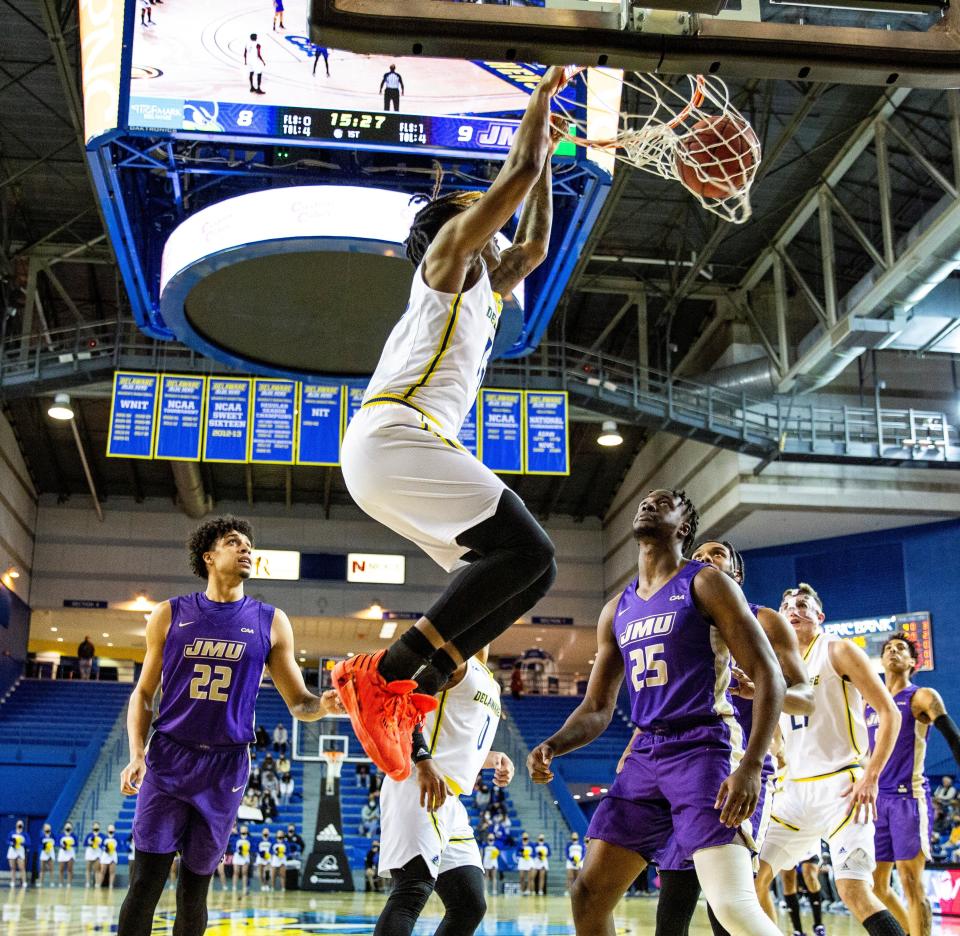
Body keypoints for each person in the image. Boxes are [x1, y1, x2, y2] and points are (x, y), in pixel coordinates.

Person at [334, 67, 575, 783]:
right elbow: (520, 174)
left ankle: (415, 690)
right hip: (395, 436)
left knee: (533, 572)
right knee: (529, 549)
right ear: (458, 229)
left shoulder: (487, 290)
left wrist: (552, 162)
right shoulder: (446, 263)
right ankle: (384, 675)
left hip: (401, 450)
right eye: (482, 213)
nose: (496, 227)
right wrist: (538, 109)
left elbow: (530, 247)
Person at [527, 489, 787, 936]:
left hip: (704, 747)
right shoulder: (617, 609)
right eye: (645, 500)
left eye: (664, 501)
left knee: (732, 906)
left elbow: (770, 676)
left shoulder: (705, 582)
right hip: (646, 752)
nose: (648, 503)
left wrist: (749, 766)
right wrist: (553, 744)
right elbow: (596, 707)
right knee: (588, 894)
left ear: (684, 526)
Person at [116, 516, 343, 936]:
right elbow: (144, 694)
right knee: (145, 883)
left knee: (193, 892)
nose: (246, 549)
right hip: (168, 758)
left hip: (226, 767)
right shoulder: (169, 614)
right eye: (234, 542)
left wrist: (326, 706)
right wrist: (136, 753)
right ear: (208, 556)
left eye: (249, 545)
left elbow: (300, 703)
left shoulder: (271, 621)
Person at [651, 538, 814, 936]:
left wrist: (758, 689)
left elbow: (805, 699)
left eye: (716, 556)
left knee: (728, 905)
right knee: (672, 900)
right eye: (699, 557)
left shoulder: (766, 620)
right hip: (685, 767)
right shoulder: (682, 624)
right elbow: (665, 702)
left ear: (736, 575)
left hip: (739, 765)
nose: (704, 561)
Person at [755, 583, 906, 936]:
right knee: (749, 878)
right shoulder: (776, 666)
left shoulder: (837, 650)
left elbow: (889, 713)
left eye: (803, 605)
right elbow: (782, 732)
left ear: (819, 617)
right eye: (787, 604)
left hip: (842, 785)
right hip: (792, 791)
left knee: (853, 891)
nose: (794, 609)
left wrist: (870, 776)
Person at [374, 647, 513, 936]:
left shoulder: (488, 678)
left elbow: (457, 740)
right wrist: (422, 758)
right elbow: (402, 707)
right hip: (418, 783)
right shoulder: (453, 661)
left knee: (470, 904)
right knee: (412, 890)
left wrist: (493, 758)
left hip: (451, 799)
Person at [869, 633, 960, 936]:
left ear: (911, 662)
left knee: (910, 881)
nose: (893, 652)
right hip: (875, 800)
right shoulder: (870, 703)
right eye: (888, 649)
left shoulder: (921, 696)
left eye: (901, 650)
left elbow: (952, 735)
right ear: (881, 661)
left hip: (908, 798)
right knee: (875, 886)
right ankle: (910, 931)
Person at [781, 857, 826, 936]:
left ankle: (819, 925)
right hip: (787, 846)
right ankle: (798, 931)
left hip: (807, 847)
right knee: (788, 880)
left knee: (810, 876)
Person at [6, 819, 28, 888]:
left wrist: (21, 843)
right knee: (12, 867)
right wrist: (12, 843)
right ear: (16, 825)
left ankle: (24, 882)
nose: (19, 825)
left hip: (20, 851)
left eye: (21, 824)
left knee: (22, 867)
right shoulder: (12, 833)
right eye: (18, 824)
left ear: (23, 826)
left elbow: (29, 842)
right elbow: (7, 841)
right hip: (12, 851)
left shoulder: (25, 834)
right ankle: (13, 881)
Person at [232, 826, 252, 894]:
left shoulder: (250, 838)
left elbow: (251, 847)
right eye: (242, 829)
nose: (243, 830)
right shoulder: (236, 837)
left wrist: (245, 850)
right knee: (236, 872)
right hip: (237, 856)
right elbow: (233, 846)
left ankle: (244, 887)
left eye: (245, 829)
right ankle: (234, 887)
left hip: (245, 857)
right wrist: (238, 850)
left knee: (244, 872)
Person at [83, 822, 103, 888]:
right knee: (88, 869)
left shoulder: (102, 836)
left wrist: (98, 844)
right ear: (92, 827)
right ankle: (87, 883)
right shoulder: (89, 835)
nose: (96, 828)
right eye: (95, 826)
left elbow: (103, 845)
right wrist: (90, 843)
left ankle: (97, 884)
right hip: (89, 853)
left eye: (97, 827)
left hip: (97, 853)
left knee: (97, 869)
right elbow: (84, 844)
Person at [57, 822, 76, 887]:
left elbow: (76, 843)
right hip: (63, 852)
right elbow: (57, 843)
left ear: (71, 828)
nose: (68, 828)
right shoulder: (61, 835)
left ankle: (69, 883)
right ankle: (60, 882)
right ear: (64, 827)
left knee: (70, 869)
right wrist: (63, 846)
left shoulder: (73, 835)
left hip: (70, 853)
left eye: (69, 826)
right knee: (61, 869)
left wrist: (69, 845)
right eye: (67, 826)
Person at [38, 823, 56, 887]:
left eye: (49, 828)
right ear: (44, 828)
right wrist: (44, 847)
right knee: (42, 868)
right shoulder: (41, 835)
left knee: (51, 868)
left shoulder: (52, 835)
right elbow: (40, 843)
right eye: (46, 828)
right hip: (44, 852)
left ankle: (52, 882)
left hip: (51, 852)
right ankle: (40, 882)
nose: (48, 829)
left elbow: (55, 842)